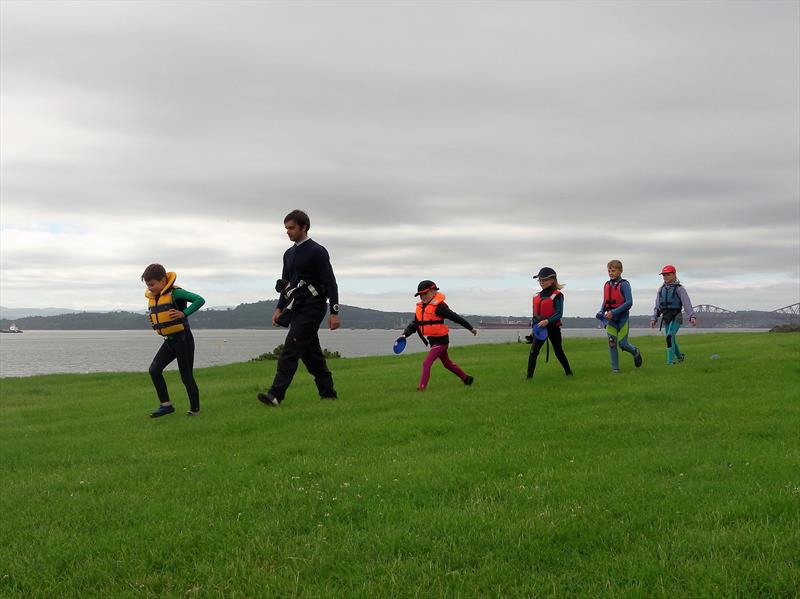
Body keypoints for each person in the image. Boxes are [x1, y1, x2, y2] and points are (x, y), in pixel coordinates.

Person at [257, 210, 340, 406]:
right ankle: (328, 394)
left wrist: (334, 312)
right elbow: (287, 285)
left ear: (304, 227)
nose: (288, 232)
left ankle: (275, 395)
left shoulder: (317, 251)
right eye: (286, 228)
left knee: (290, 349)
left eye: (291, 228)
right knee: (312, 356)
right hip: (296, 308)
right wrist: (279, 309)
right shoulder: (288, 254)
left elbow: (331, 283)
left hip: (314, 307)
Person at [142, 264, 206, 417]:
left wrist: (183, 313)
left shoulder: (176, 293)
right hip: (169, 341)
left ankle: (194, 410)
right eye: (148, 285)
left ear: (163, 280)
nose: (150, 288)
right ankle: (166, 406)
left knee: (186, 375)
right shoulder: (155, 297)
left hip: (183, 339)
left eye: (152, 284)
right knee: (154, 370)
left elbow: (199, 300)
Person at [400, 280, 477, 391]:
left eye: (425, 294)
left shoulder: (439, 307)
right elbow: (414, 324)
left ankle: (421, 388)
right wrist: (404, 335)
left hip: (441, 341)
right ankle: (467, 379)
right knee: (447, 364)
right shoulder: (421, 308)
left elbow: (455, 317)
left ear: (434, 292)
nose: (423, 297)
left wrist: (470, 328)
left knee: (426, 363)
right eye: (420, 295)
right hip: (433, 341)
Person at [527, 267, 573, 380]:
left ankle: (568, 372)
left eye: (545, 280)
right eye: (540, 280)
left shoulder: (557, 295)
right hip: (540, 328)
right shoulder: (536, 296)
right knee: (533, 352)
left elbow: (559, 313)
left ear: (552, 280)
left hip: (553, 328)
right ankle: (529, 378)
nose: (542, 282)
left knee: (558, 351)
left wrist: (547, 321)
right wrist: (533, 330)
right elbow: (534, 315)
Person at [599, 259, 642, 373]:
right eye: (609, 271)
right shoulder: (607, 285)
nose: (611, 273)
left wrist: (614, 312)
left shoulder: (624, 284)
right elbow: (605, 301)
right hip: (610, 320)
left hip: (622, 318)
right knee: (612, 344)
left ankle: (635, 351)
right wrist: (601, 311)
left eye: (613, 270)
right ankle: (615, 369)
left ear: (620, 271)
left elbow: (629, 302)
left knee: (622, 343)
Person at [650, 264, 697, 364]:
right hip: (666, 317)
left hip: (676, 316)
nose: (665, 276)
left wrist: (692, 316)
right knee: (671, 339)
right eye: (664, 275)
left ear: (674, 275)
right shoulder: (661, 290)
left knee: (669, 337)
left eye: (668, 274)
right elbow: (657, 306)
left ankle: (670, 361)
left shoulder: (680, 289)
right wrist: (654, 318)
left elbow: (687, 304)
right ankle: (680, 357)